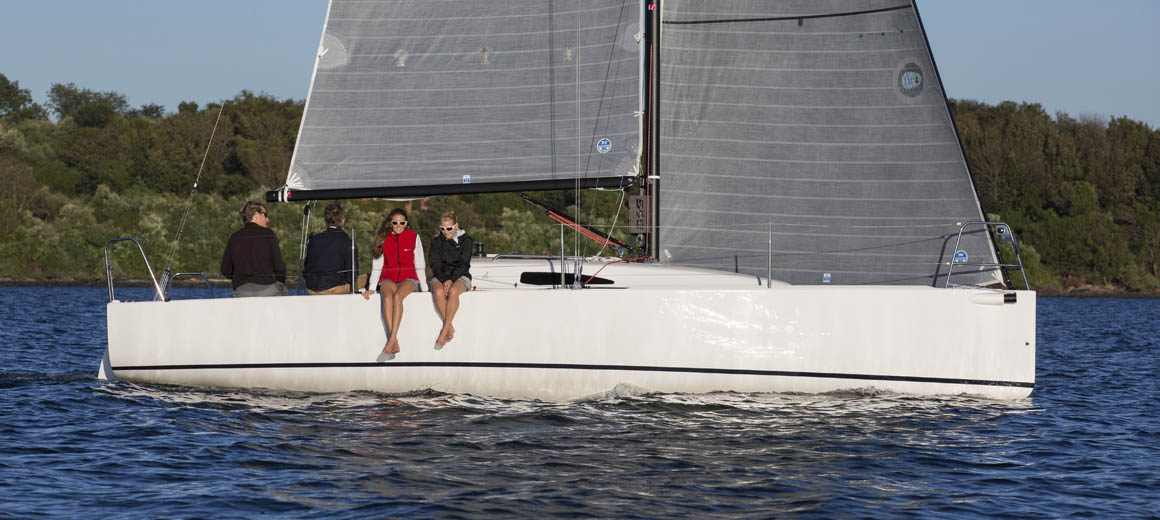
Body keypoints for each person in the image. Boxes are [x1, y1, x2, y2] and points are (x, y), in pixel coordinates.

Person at [363, 208, 426, 355]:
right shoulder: (383, 239)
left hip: (408, 278)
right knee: (387, 298)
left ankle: (391, 340)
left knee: (397, 297)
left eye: (402, 223)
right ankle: (394, 340)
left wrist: (424, 288)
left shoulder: (414, 237)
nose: (398, 225)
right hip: (388, 278)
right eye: (395, 223)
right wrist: (372, 287)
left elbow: (420, 263)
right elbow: (377, 265)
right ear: (390, 224)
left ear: (406, 223)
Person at [220, 201, 289, 297]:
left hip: (242, 292)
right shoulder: (268, 234)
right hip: (268, 289)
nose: (267, 219)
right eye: (265, 215)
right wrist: (280, 283)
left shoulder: (234, 237)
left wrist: (240, 279)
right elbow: (280, 268)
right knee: (286, 294)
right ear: (256, 215)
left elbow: (225, 270)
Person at [428, 210, 473, 348]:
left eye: (449, 228)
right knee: (438, 292)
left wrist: (451, 280)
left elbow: (464, 264)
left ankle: (444, 331)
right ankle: (450, 327)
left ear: (456, 226)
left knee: (453, 292)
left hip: (461, 275)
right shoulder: (436, 242)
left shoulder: (467, 241)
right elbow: (434, 264)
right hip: (440, 275)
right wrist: (443, 280)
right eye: (442, 229)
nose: (445, 232)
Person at [302, 204, 363, 295]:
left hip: (311, 288)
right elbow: (352, 274)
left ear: (326, 220)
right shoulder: (347, 242)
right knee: (367, 277)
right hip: (333, 288)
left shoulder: (314, 239)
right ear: (343, 221)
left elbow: (307, 266)